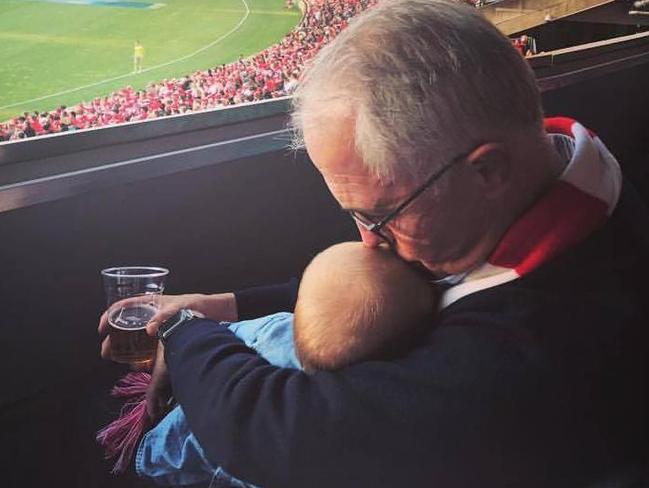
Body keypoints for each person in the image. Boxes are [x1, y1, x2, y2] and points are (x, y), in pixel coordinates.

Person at [99, 0, 649, 486]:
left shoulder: (527, 357)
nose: (368, 243)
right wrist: (226, 307)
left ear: (488, 172)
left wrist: (182, 331)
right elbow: (403, 291)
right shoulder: (569, 183)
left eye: (380, 215)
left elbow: (282, 435)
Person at [135, 241, 436, 486]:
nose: (371, 237)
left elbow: (241, 425)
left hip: (175, 448)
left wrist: (181, 328)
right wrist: (219, 305)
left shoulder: (271, 336)